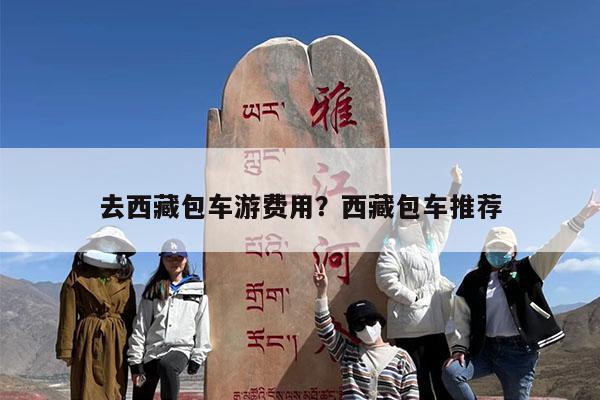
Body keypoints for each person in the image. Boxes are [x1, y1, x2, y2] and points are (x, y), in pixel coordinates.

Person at [442, 191, 600, 400]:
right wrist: (459, 348)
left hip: (519, 354)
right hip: (484, 349)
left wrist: (580, 218)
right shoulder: (472, 280)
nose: (498, 252)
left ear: (514, 250)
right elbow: (461, 317)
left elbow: (555, 247)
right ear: (485, 250)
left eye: (504, 248)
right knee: (452, 373)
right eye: (493, 247)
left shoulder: (528, 270)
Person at [375, 165, 462, 400]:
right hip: (409, 329)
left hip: (436, 324)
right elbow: (385, 279)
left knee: (444, 381)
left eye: (419, 212)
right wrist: (411, 298)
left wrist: (455, 186)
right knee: (418, 385)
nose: (415, 216)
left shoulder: (431, 243)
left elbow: (445, 216)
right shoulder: (393, 245)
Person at [312, 263, 419, 400]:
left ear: (379, 321)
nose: (367, 328)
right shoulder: (347, 353)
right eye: (359, 326)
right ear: (354, 331)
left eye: (371, 321)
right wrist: (321, 292)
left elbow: (411, 396)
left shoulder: (402, 358)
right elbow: (325, 329)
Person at [56, 226, 137, 400]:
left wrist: (134, 350)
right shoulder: (77, 276)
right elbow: (68, 314)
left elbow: (131, 315)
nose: (109, 244)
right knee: (86, 387)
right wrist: (66, 349)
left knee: (114, 388)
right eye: (105, 240)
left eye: (114, 241)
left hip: (117, 341)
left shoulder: (125, 279)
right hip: (87, 338)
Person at [128, 239, 211, 400]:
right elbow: (141, 327)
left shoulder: (197, 290)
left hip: (180, 349)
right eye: (169, 257)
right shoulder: (154, 290)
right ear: (162, 260)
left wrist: (198, 356)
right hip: (152, 351)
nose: (174, 261)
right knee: (140, 392)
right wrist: (135, 362)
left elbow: (203, 324)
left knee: (167, 365)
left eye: (179, 257)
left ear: (185, 259)